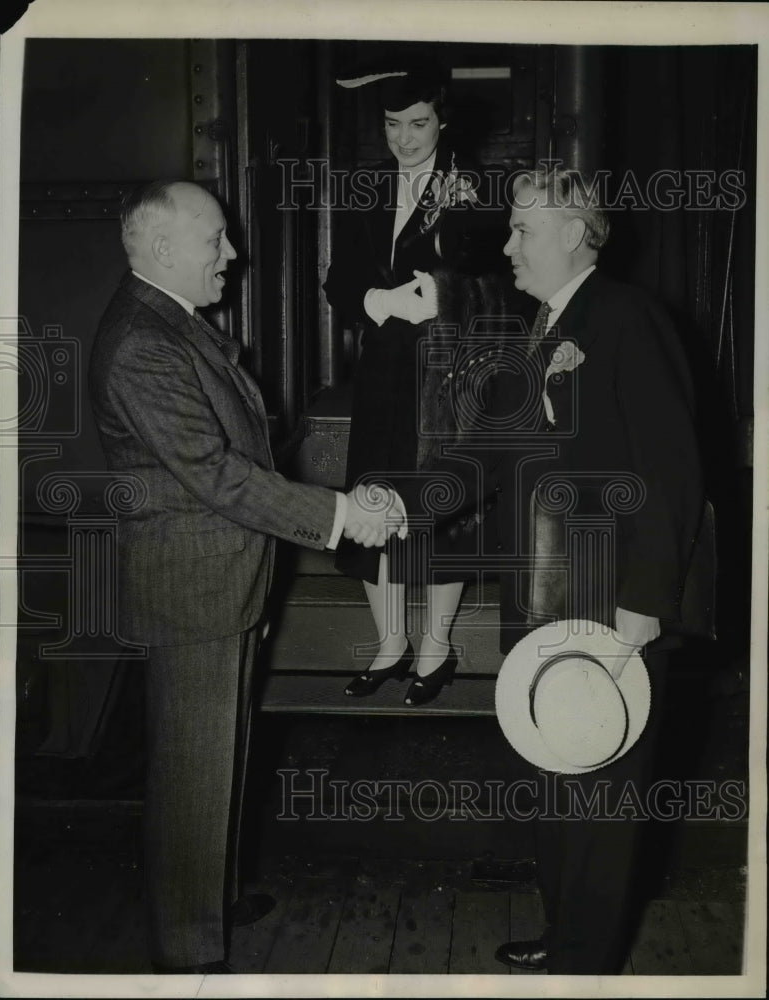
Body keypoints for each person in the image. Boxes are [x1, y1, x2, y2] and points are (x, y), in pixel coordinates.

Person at [389, 166, 705, 972]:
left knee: (603, 793)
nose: (507, 245)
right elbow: (490, 455)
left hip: (612, 603)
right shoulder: (540, 327)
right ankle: (568, 934)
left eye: (522, 230)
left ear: (573, 234)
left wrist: (645, 601)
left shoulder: (628, 317)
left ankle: (586, 964)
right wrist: (396, 505)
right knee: (560, 773)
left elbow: (672, 470)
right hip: (550, 594)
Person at [88, 180, 399, 974]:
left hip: (219, 574)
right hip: (194, 585)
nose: (233, 255)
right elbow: (218, 474)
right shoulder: (142, 343)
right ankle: (189, 955)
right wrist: (336, 517)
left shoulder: (168, 323)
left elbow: (241, 461)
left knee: (218, 755)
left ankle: (211, 901)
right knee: (196, 770)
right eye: (216, 241)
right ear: (163, 250)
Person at [323, 63, 510, 706]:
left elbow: (501, 288)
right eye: (392, 126)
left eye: (418, 124)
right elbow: (337, 280)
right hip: (382, 370)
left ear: (444, 121)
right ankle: (389, 643)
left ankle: (435, 646)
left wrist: (440, 297)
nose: (403, 140)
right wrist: (373, 298)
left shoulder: (475, 189)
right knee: (374, 496)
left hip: (445, 371)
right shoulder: (367, 188)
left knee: (438, 504)